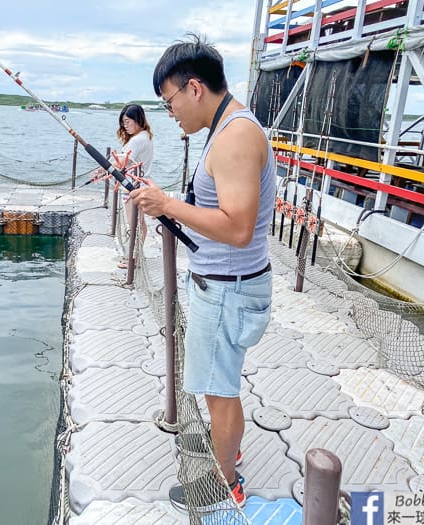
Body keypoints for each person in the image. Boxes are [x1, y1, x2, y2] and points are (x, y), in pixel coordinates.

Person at [130, 34, 276, 509]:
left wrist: (168, 203)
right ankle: (224, 447)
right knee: (220, 384)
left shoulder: (234, 136)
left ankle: (222, 484)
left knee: (219, 389)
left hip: (228, 290)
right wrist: (168, 205)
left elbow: (237, 228)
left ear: (194, 88)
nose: (169, 112)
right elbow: (219, 210)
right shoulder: (227, 125)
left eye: (169, 101)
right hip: (227, 284)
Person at [96, 104, 153, 268]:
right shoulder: (145, 136)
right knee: (139, 223)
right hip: (139, 184)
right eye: (123, 123)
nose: (125, 126)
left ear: (138, 119)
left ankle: (132, 259)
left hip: (133, 187)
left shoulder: (138, 140)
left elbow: (122, 161)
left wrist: (101, 169)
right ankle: (135, 255)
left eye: (128, 122)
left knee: (134, 223)